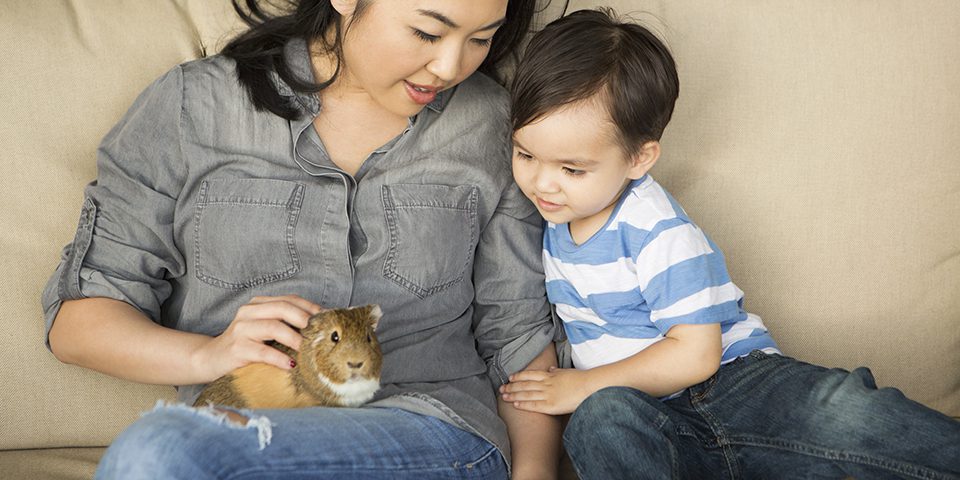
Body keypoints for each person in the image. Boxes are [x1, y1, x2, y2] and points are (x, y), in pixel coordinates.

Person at [41, 0, 562, 478]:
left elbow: (516, 336)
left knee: (160, 452)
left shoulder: (498, 125)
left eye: (481, 38)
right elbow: (81, 319)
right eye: (427, 33)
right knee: (167, 449)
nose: (450, 67)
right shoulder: (194, 107)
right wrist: (207, 355)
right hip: (244, 435)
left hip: (432, 433)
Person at [500, 8, 960, 480]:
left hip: (737, 386)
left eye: (571, 169)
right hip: (649, 418)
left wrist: (583, 385)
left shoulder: (654, 227)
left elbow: (696, 353)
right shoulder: (551, 220)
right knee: (601, 422)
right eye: (525, 154)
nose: (543, 183)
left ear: (639, 158)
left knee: (847, 413)